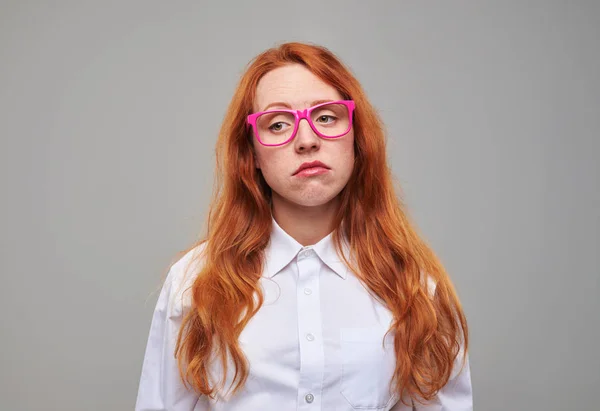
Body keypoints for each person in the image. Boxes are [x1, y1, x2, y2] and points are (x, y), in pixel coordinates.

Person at [135, 42, 472, 411]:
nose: (307, 140)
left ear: (356, 138)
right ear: (252, 156)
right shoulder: (194, 282)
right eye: (278, 124)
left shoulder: (415, 283)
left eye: (326, 117)